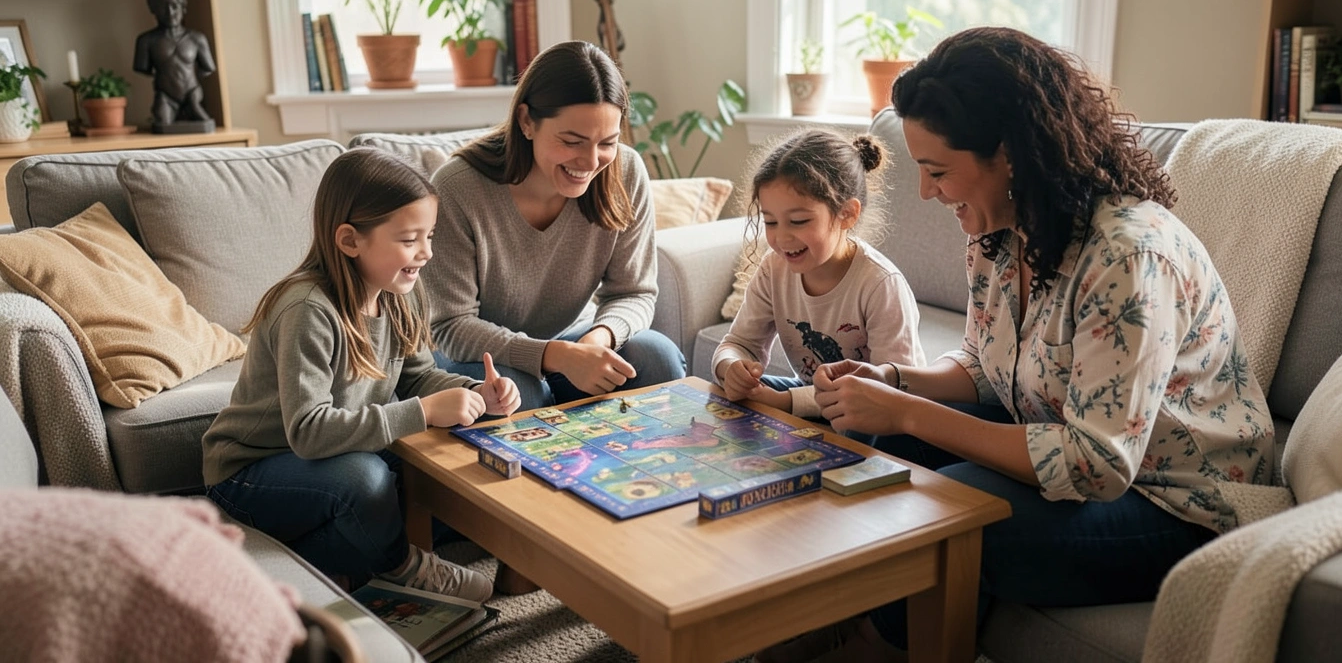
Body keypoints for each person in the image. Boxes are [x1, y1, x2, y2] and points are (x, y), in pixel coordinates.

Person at [773, 27, 1278, 663]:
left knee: (944, 508)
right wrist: (894, 383)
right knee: (888, 447)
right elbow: (989, 371)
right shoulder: (999, 230)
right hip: (1060, 436)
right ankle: (843, 616)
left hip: (1174, 497)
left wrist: (904, 408)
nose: (928, 193)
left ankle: (874, 646)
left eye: (937, 171)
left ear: (1009, 155)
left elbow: (1096, 463)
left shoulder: (1127, 254)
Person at [201, 148, 521, 601]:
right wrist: (424, 412)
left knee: (437, 453)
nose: (427, 253)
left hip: (325, 457)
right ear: (350, 241)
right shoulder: (308, 309)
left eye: (429, 236)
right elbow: (308, 433)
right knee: (366, 479)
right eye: (410, 239)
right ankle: (401, 565)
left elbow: (416, 379)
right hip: (248, 473)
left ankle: (333, 569)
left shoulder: (399, 291)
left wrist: (475, 393)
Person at [421, 40, 686, 410]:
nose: (592, 161)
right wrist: (556, 357)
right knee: (520, 392)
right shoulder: (458, 188)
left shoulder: (625, 172)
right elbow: (451, 327)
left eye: (607, 142)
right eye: (572, 141)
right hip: (474, 356)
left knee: (655, 355)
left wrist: (597, 342)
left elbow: (635, 292)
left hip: (573, 339)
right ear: (527, 121)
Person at [712, 128, 925, 420]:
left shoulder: (879, 284)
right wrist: (731, 367)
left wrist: (786, 402)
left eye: (798, 221)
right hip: (813, 397)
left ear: (847, 214)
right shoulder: (773, 269)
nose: (782, 238)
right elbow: (738, 344)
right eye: (771, 222)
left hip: (879, 414)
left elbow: (890, 393)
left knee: (857, 420)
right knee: (736, 397)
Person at [133, 0, 216, 130]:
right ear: (153, 9)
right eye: (163, 7)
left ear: (183, 7)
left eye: (175, 6)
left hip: (193, 93)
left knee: (203, 119)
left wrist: (192, 84)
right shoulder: (146, 41)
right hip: (166, 96)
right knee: (162, 124)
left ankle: (193, 106)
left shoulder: (196, 38)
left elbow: (208, 68)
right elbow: (142, 68)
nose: (170, 12)